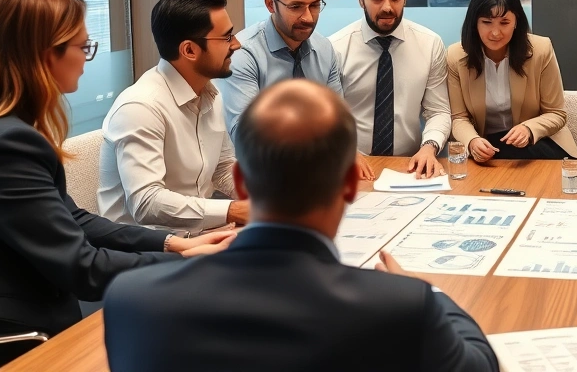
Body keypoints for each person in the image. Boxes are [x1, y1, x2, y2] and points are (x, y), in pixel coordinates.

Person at [103, 79, 500, 372]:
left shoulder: (130, 299)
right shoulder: (401, 307)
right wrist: (430, 291)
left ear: (241, 184)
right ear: (349, 185)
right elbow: (481, 367)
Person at [0, 0, 232, 372]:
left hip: (28, 316)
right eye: (82, 47)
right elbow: (81, 267)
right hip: (8, 343)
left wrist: (176, 245)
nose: (87, 59)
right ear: (42, 55)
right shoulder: (5, 145)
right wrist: (190, 264)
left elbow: (74, 219)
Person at [99, 0, 248, 234]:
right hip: (145, 250)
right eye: (227, 37)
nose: (237, 44)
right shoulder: (141, 107)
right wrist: (232, 210)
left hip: (198, 235)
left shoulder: (211, 93)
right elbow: (146, 202)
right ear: (189, 50)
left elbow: (221, 169)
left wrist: (267, 196)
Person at [216, 0, 374, 180]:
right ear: (271, 5)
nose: (308, 17)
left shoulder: (324, 48)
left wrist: (348, 151)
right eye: (296, 7)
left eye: (315, 5)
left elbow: (337, 120)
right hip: (259, 179)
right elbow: (245, 137)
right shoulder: (243, 54)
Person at [330, 0, 451, 178]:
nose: (387, 7)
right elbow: (325, 118)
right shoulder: (335, 48)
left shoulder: (429, 44)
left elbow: (439, 111)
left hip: (410, 167)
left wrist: (429, 147)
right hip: (351, 167)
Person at [446, 0, 577, 162]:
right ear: (474, 23)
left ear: (516, 21)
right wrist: (472, 141)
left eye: (504, 22)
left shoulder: (541, 50)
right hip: (486, 150)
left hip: (537, 146)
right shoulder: (455, 57)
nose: (495, 32)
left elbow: (556, 113)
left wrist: (529, 129)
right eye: (486, 22)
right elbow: (458, 118)